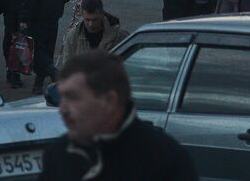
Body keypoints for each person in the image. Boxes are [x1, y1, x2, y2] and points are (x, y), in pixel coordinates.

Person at [40, 51, 196, 180]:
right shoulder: (59, 154)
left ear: (109, 100)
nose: (62, 109)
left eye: (73, 97)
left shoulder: (164, 159)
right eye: (62, 97)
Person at [19, 0, 72, 93]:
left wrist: (24, 18)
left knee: (37, 49)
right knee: (47, 49)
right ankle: (38, 84)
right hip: (54, 17)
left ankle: (52, 71)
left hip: (36, 18)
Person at [55, 0, 130, 73]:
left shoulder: (119, 35)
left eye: (95, 20)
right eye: (87, 20)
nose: (90, 24)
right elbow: (68, 65)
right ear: (82, 15)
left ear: (102, 15)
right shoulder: (73, 36)